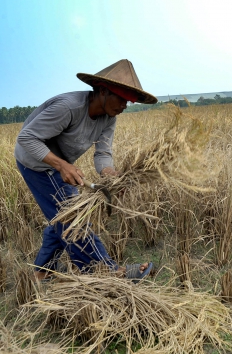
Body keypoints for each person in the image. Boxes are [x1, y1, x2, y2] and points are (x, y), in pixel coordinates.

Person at [14, 59, 158, 282]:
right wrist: (61, 165)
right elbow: (26, 138)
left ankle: (42, 273)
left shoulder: (109, 118)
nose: (124, 106)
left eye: (128, 102)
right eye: (121, 98)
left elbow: (102, 154)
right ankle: (108, 273)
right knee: (74, 218)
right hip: (37, 163)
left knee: (62, 216)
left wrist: (111, 176)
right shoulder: (69, 107)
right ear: (102, 91)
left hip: (60, 163)